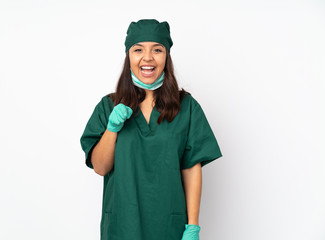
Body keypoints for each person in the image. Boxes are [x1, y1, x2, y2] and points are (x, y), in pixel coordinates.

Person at [80, 19, 223, 240]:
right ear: (129, 55)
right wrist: (112, 128)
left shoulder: (186, 107)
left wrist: (193, 226)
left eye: (157, 49)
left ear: (166, 57)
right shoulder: (109, 106)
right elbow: (100, 167)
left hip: (169, 225)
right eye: (138, 50)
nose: (148, 57)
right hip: (123, 225)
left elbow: (191, 169)